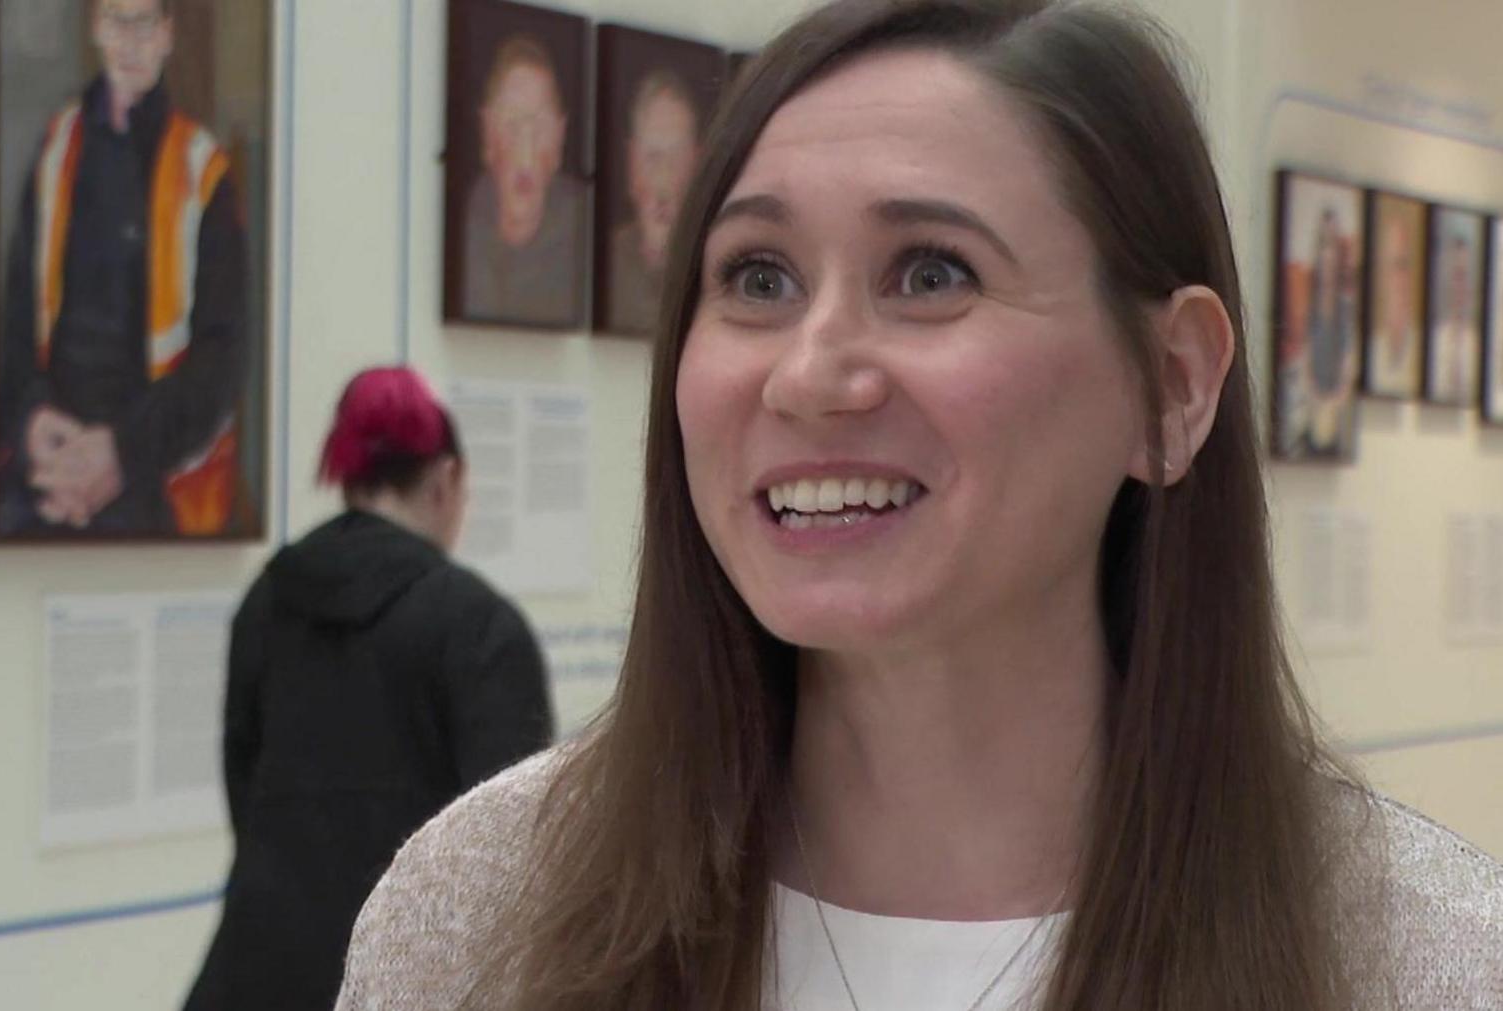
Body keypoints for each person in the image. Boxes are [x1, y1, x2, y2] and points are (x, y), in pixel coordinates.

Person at [339, 2, 1503, 1009]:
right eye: (758, 278)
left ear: (1174, 384)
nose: (811, 373)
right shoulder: (482, 915)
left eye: (931, 273)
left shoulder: (1423, 962)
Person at [184, 366, 554, 1011]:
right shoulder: (478, 626)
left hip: (253, 974)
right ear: (445, 481)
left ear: (349, 477)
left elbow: (244, 792)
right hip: (404, 985)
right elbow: (510, 857)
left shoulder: (266, 602)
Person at [0, 0, 248, 535]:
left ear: (167, 35)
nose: (130, 41)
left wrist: (120, 451)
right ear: (95, 30)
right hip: (51, 456)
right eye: (116, 21)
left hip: (156, 470)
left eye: (144, 24)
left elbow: (220, 364)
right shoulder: (55, 150)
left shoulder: (204, 171)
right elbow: (14, 322)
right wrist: (33, 422)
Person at [460, 33, 585, 327]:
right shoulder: (462, 229)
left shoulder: (584, 231)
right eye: (513, 125)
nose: (525, 152)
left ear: (559, 135)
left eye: (538, 126)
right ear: (488, 134)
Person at [605, 70, 703, 335]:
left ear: (695, 164)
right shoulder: (607, 261)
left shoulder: (712, 265)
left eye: (675, 159)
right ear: (633, 165)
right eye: (653, 158)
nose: (663, 182)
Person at [1302, 208, 1357, 454]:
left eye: (1332, 245)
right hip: (1309, 415)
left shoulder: (1345, 312)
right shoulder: (1305, 309)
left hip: (1332, 418)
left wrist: (1330, 404)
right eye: (1323, 244)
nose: (1327, 255)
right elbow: (1303, 372)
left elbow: (1347, 375)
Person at [1367, 200, 1423, 397]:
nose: (1400, 279)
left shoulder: (1424, 353)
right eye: (1393, 266)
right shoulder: (1370, 353)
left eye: (1404, 265)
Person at [1429, 229, 1479, 404]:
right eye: (1454, 276)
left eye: (1463, 275)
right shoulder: (1433, 340)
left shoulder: (1480, 344)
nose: (1459, 284)